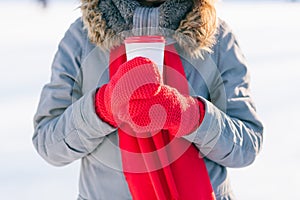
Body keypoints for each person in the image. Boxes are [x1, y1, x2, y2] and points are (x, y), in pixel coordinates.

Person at [32, 0, 264, 199]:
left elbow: (247, 145)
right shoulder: (81, 39)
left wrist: (191, 116)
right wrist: (101, 108)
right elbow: (48, 143)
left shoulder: (218, 38)